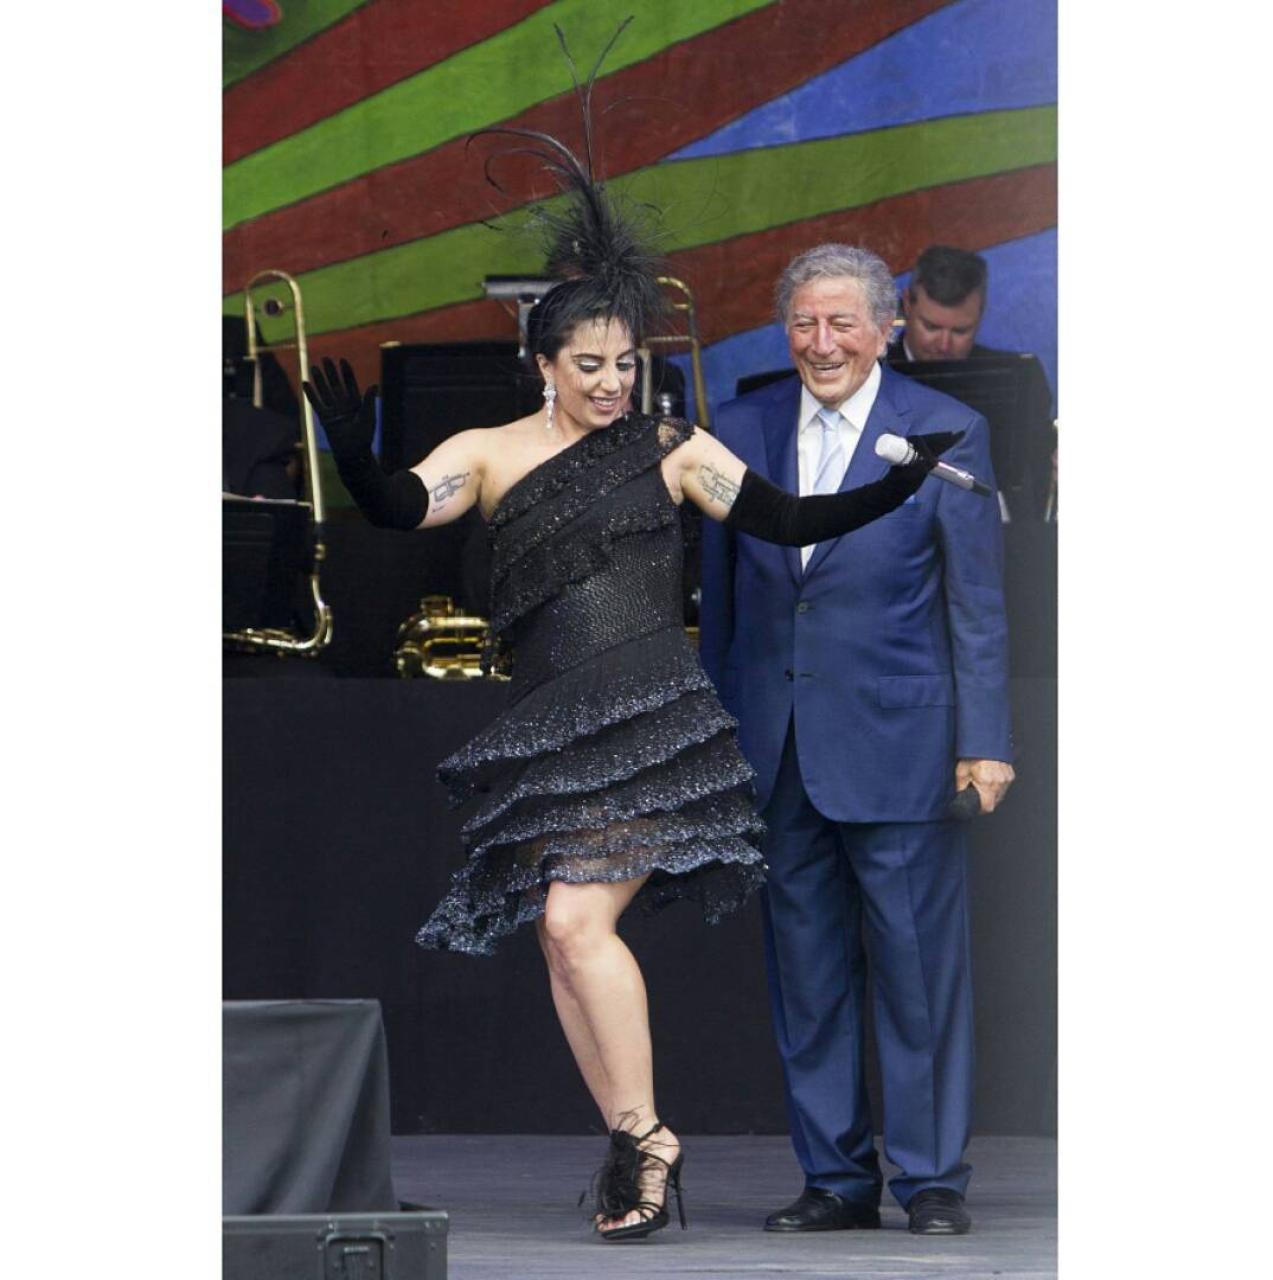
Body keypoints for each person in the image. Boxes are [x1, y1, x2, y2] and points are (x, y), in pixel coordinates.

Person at [303, 141, 959, 1241]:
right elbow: (398, 508)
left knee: (573, 917)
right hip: (551, 727)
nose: (612, 382)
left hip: (650, 723)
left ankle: (647, 1139)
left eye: (623, 363)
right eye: (589, 364)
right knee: (561, 940)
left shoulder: (669, 446)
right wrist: (352, 453)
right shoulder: (489, 451)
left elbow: (786, 517)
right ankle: (636, 1140)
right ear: (543, 364)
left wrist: (893, 486)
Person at [700, 243, 1016, 1237]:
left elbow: (976, 602)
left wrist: (986, 741)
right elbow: (719, 603)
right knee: (807, 975)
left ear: (886, 329)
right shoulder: (738, 427)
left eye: (842, 322)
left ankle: (929, 1177)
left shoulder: (946, 428)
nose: (822, 342)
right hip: (777, 744)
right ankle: (834, 1177)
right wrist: (714, 736)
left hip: (903, 743)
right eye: (803, 322)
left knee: (919, 972)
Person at [889, 244, 1055, 517]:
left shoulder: (1021, 379)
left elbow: (1037, 478)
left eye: (960, 331)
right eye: (931, 327)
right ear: (907, 304)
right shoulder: (863, 376)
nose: (943, 345)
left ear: (981, 313)